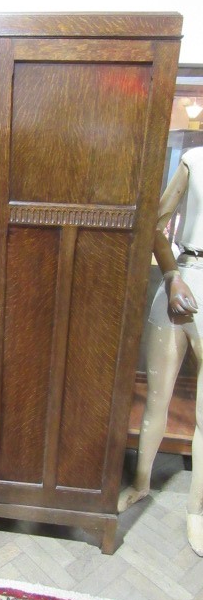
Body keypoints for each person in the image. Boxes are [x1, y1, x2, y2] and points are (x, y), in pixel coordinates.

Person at [118, 146, 203, 557]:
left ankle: (196, 509)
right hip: (182, 276)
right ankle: (140, 482)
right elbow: (155, 222)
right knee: (156, 397)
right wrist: (171, 276)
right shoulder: (194, 160)